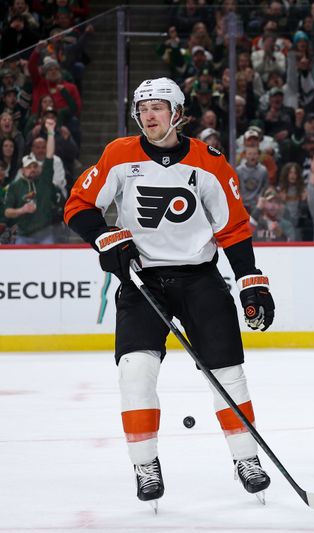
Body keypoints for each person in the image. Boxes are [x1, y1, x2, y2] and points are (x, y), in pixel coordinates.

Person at [62, 78, 275, 508]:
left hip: (200, 279)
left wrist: (250, 282)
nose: (149, 116)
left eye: (158, 107)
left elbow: (232, 228)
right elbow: (78, 206)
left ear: (177, 113)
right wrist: (104, 238)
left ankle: (246, 458)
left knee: (228, 372)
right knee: (135, 373)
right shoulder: (119, 154)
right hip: (143, 283)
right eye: (143, 108)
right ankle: (145, 464)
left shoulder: (209, 162)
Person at [2, 120, 57, 244]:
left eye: (34, 166)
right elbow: (7, 212)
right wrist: (22, 210)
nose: (32, 169)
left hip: (46, 235)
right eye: (28, 167)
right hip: (24, 235)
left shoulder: (45, 181)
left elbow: (49, 155)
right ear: (22, 170)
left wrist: (51, 132)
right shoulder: (14, 187)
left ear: (38, 168)